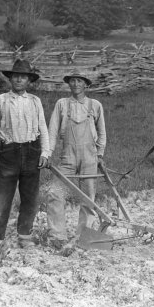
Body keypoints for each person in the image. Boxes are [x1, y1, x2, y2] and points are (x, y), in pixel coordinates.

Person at [0, 59, 49, 248]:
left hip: (32, 152)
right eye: (16, 76)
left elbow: (43, 128)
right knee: (3, 198)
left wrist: (45, 152)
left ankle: (25, 236)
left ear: (29, 80)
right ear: (10, 79)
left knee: (30, 198)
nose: (19, 80)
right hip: (9, 152)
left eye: (23, 77)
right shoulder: (0, 101)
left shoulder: (35, 101)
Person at [46, 71, 106, 249]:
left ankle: (83, 236)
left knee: (88, 197)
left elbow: (102, 132)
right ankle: (57, 235)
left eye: (79, 81)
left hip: (90, 156)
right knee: (55, 192)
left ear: (86, 85)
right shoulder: (62, 104)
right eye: (72, 81)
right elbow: (52, 130)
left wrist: (100, 154)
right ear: (69, 84)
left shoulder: (95, 105)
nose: (75, 84)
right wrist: (47, 153)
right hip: (67, 156)